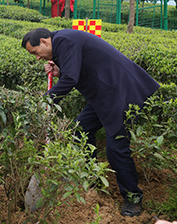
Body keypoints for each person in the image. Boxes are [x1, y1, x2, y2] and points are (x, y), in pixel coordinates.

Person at [21, 28, 160, 217]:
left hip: (120, 93)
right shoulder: (63, 43)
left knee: (116, 148)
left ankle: (133, 199)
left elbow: (71, 78)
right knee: (80, 129)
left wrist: (46, 101)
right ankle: (90, 180)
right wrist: (58, 70)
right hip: (103, 96)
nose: (37, 58)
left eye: (35, 52)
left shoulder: (64, 40)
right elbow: (73, 70)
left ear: (45, 42)